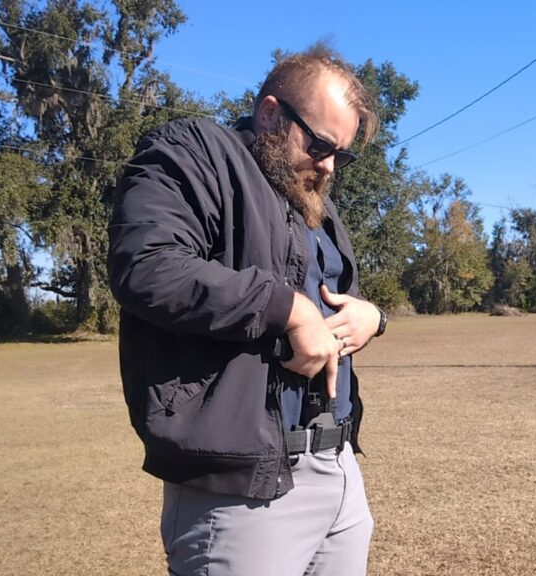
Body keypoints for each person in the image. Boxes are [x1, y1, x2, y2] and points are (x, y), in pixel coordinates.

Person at [107, 43, 387, 575]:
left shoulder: (311, 202)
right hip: (243, 491)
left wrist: (372, 318)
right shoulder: (195, 151)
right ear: (270, 113)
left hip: (337, 468)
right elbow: (146, 265)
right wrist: (288, 310)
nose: (328, 167)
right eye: (321, 145)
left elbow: (323, 295)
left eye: (341, 155)